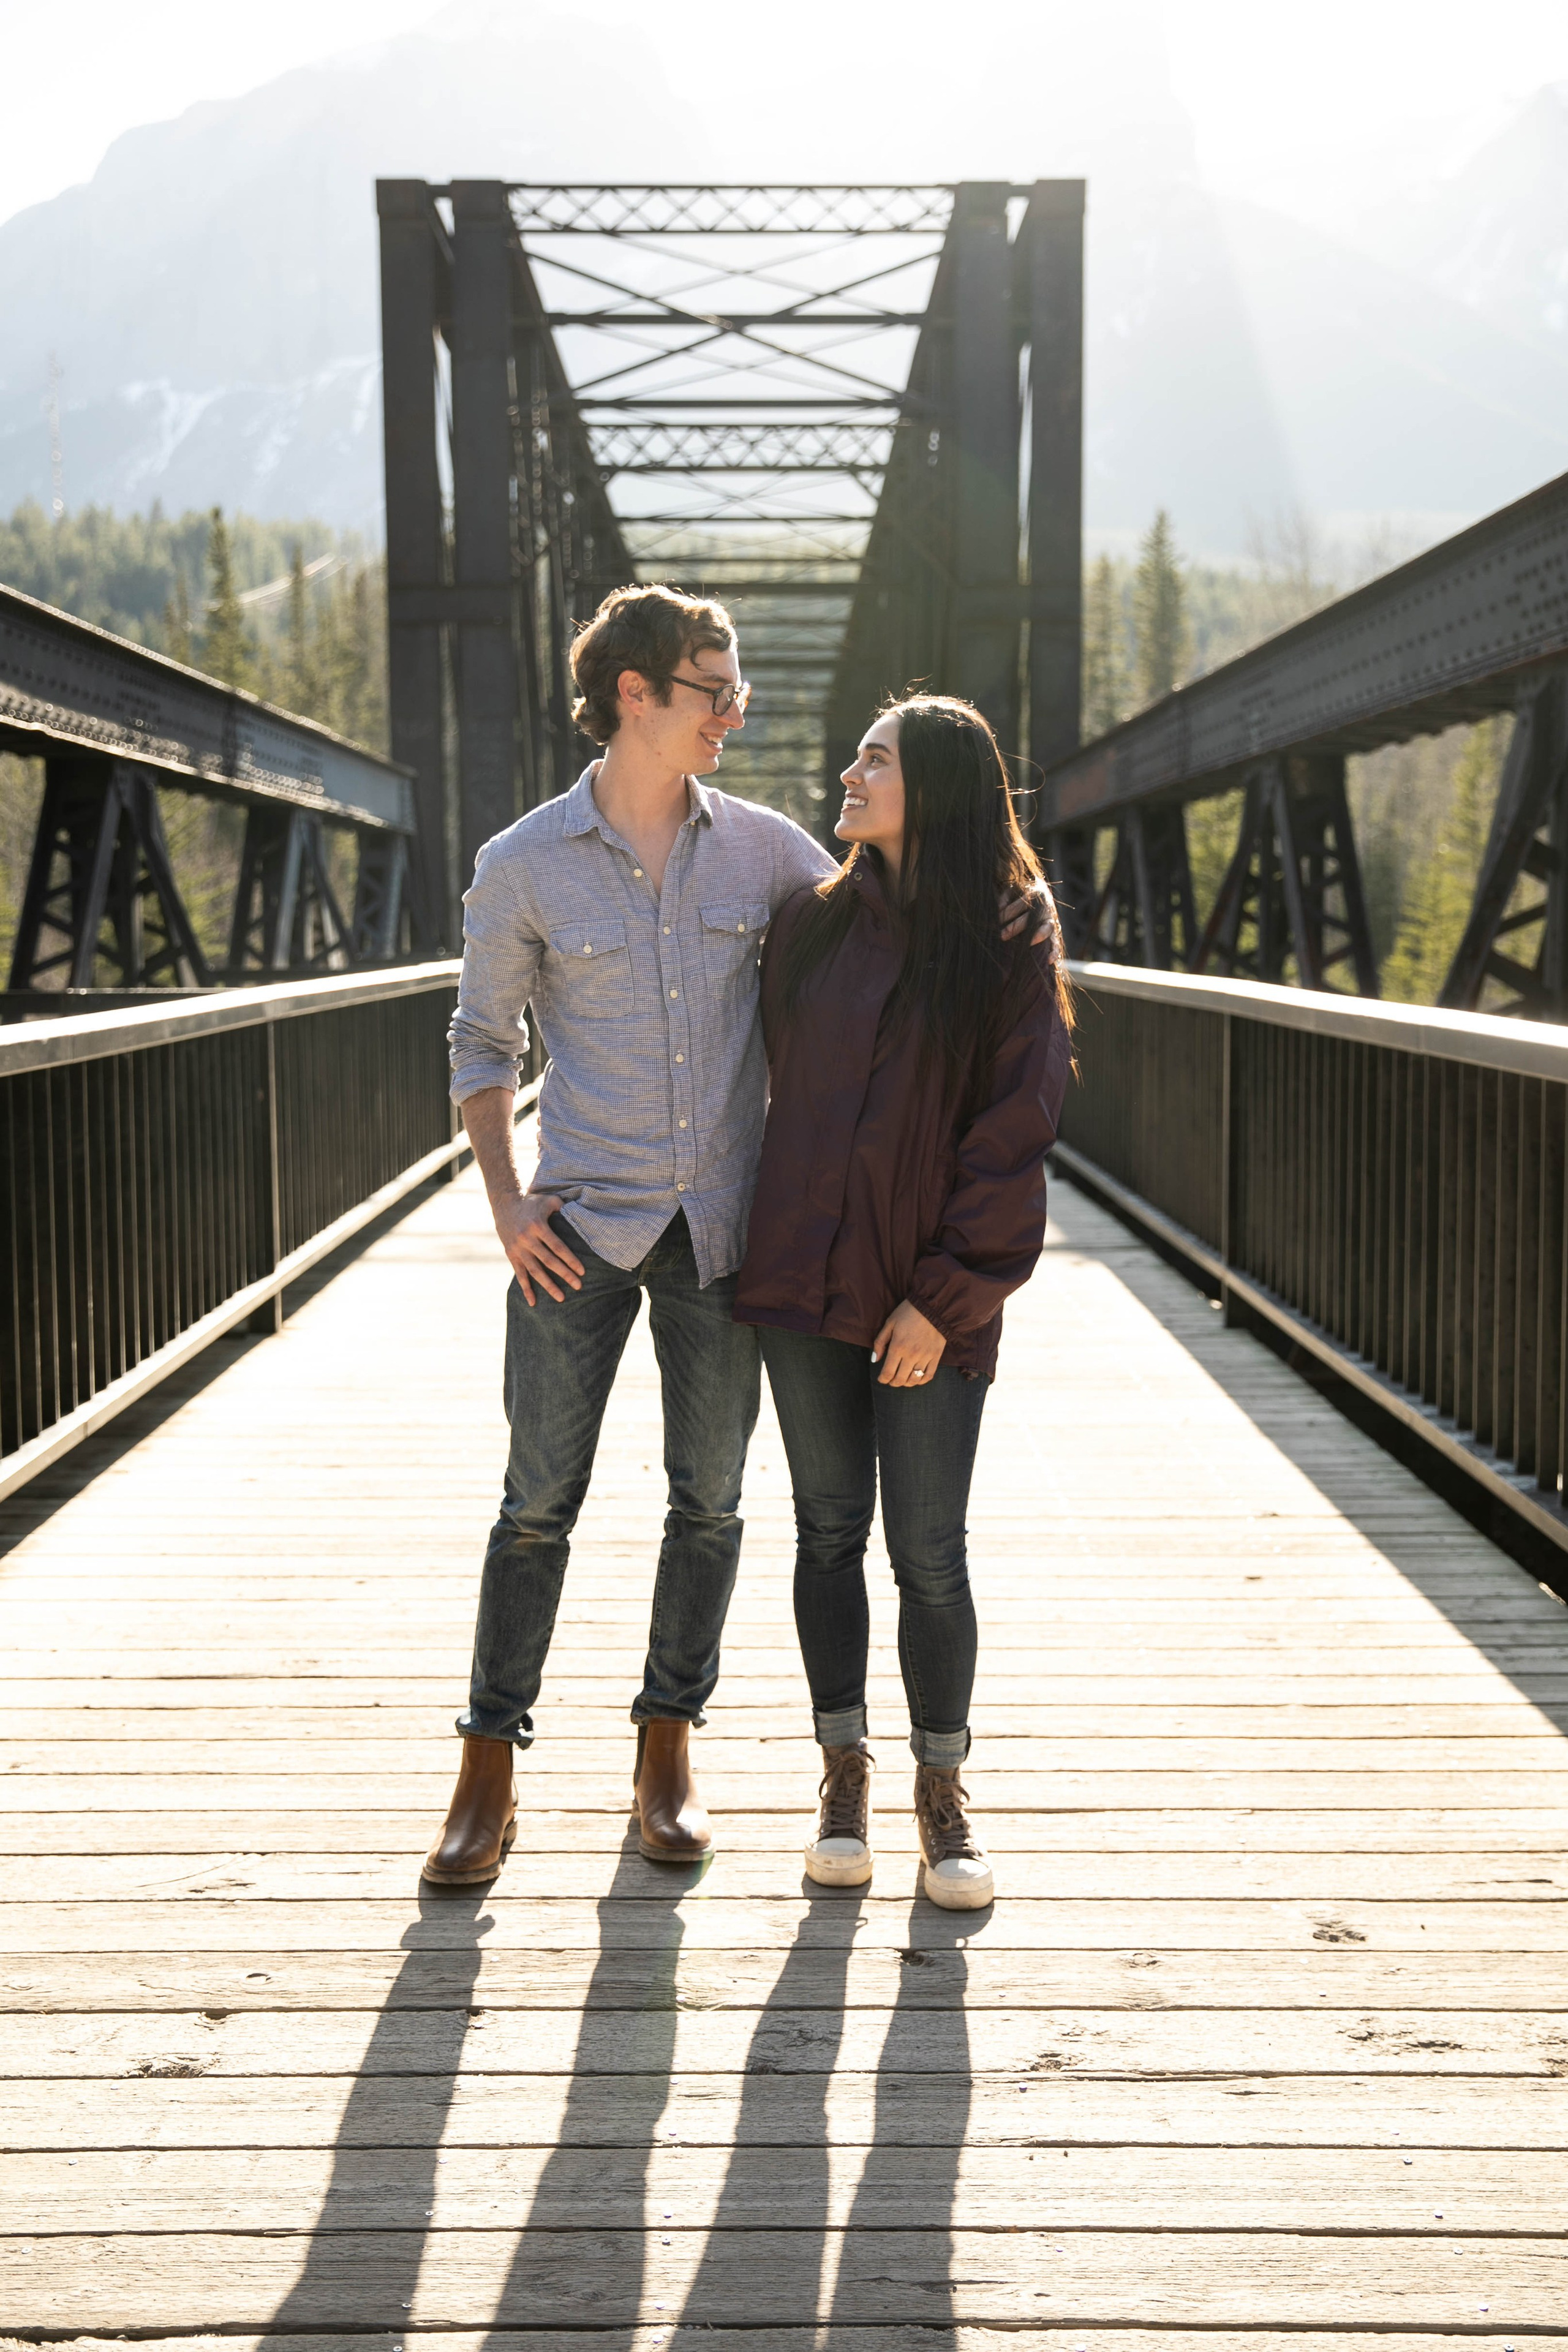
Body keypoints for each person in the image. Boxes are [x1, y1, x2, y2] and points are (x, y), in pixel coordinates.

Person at [424, 586, 1048, 1890]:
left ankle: (667, 1756)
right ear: (638, 694)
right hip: (578, 1227)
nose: (739, 712)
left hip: (725, 1239)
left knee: (709, 1506)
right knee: (534, 1504)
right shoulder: (520, 862)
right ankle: (487, 1771)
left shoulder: (771, 858)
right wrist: (501, 1196)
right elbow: (483, 1042)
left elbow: (912, 953)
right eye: (717, 689)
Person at [734, 695, 1073, 1910]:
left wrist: (941, 1298)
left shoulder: (1005, 936)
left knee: (927, 1552)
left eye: (872, 758)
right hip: (798, 1283)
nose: (847, 772)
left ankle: (941, 1794)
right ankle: (841, 1775)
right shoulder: (810, 925)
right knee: (825, 1532)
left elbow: (1013, 1130)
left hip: (930, 1302)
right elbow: (772, 1087)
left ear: (933, 785)